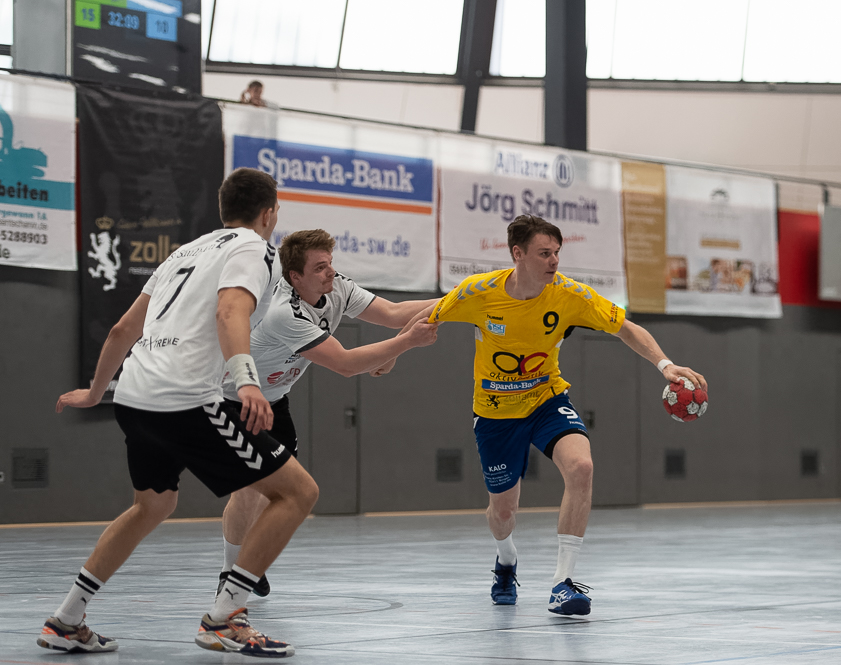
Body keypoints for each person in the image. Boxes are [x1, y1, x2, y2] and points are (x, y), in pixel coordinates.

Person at [39, 168, 315, 657]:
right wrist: (247, 380)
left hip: (133, 395)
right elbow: (230, 310)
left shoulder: (183, 253)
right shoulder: (254, 248)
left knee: (153, 505)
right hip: (184, 397)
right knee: (297, 492)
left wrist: (96, 391)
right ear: (269, 212)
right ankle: (225, 619)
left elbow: (122, 330)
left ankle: (66, 620)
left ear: (223, 208)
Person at [401, 214, 706, 616]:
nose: (554, 261)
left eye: (557, 252)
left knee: (582, 467)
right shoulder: (478, 292)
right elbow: (426, 318)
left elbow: (626, 328)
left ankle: (563, 583)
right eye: (544, 253)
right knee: (503, 512)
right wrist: (390, 354)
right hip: (495, 412)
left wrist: (665, 365)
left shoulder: (570, 295)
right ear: (518, 254)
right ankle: (506, 560)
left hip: (547, 399)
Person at [215, 228, 439, 597]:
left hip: (276, 399)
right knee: (251, 488)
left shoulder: (339, 288)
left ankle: (246, 562)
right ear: (295, 277)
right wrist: (405, 343)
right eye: (319, 267)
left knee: (274, 492)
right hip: (235, 398)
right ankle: (231, 572)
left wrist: (461, 298)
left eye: (330, 263)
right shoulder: (282, 312)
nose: (330, 272)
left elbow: (394, 313)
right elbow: (346, 364)